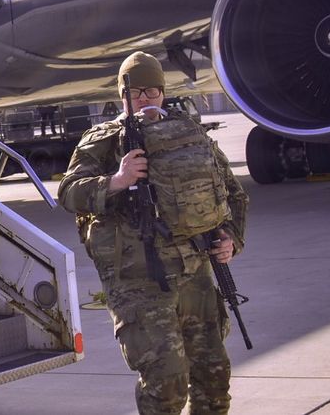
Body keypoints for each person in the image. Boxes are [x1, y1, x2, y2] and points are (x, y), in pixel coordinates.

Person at [58, 51, 248, 415]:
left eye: (153, 90)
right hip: (139, 279)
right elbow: (69, 192)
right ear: (122, 96)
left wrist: (230, 239)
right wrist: (117, 180)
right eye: (137, 92)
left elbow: (231, 192)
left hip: (196, 275)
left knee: (213, 377)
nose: (145, 99)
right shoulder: (104, 140)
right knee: (167, 382)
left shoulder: (188, 134)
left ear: (163, 93)